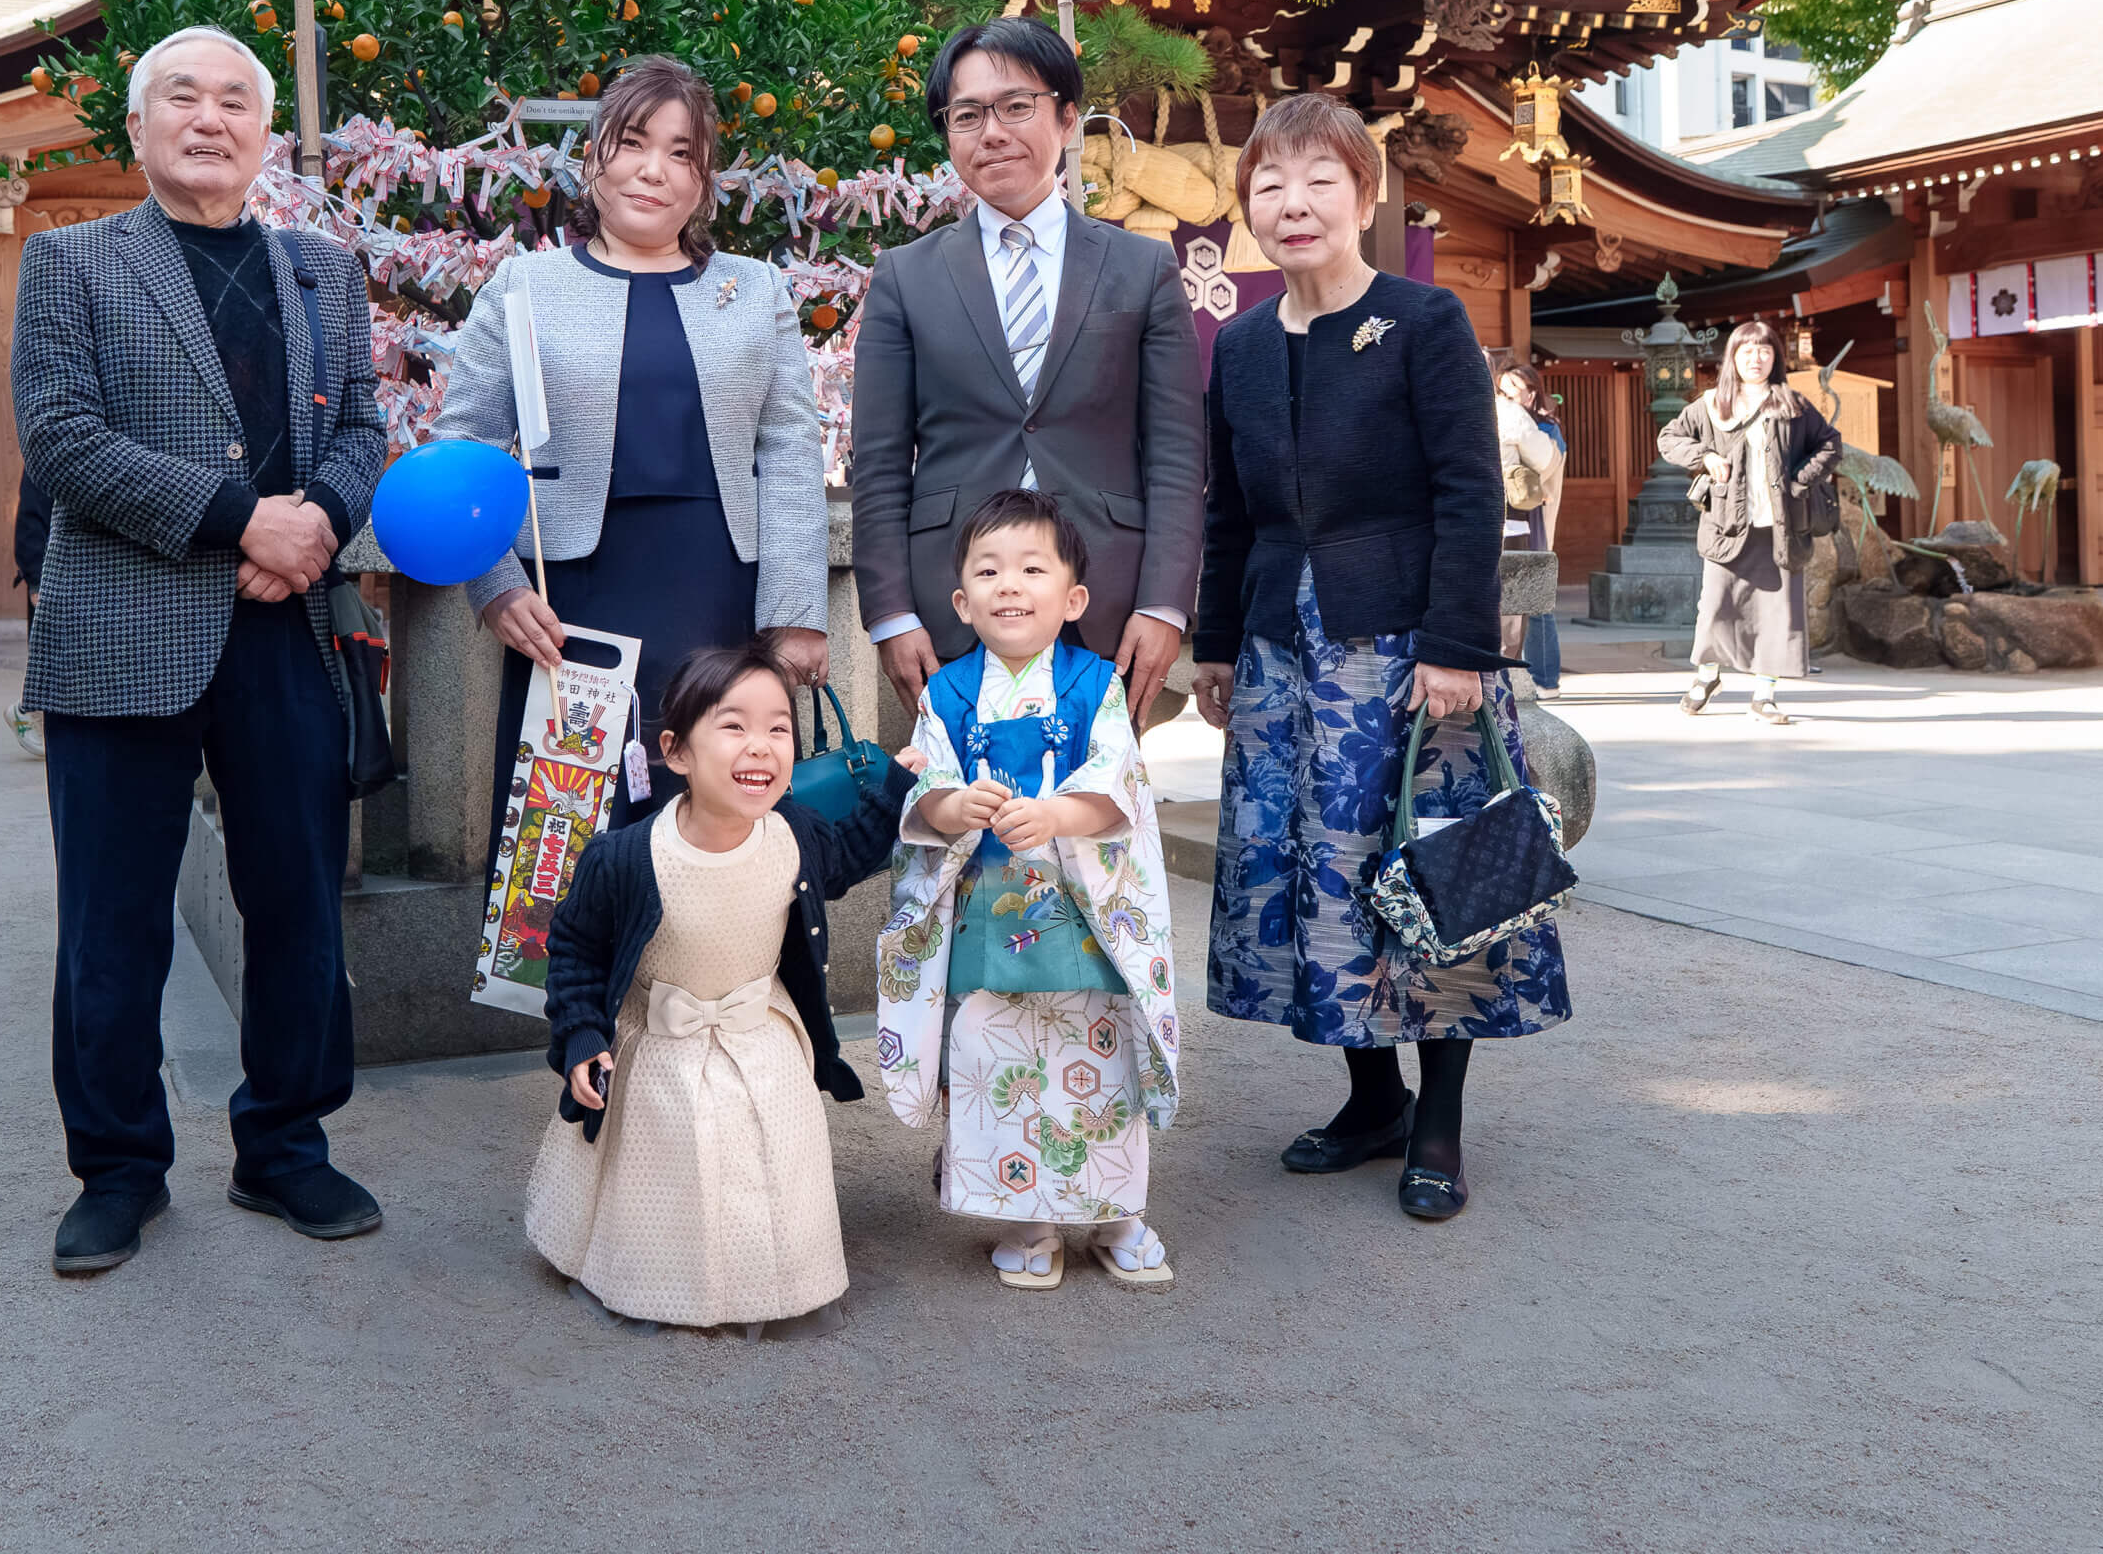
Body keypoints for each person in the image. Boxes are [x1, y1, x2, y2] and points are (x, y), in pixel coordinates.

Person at [11, 25, 388, 1276]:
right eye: (185, 94)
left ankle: (285, 1143)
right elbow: (62, 439)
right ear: (139, 125)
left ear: (265, 135)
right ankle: (118, 1167)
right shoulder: (70, 261)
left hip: (286, 629)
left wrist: (319, 523)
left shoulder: (324, 271)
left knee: (297, 903)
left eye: (238, 100)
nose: (211, 117)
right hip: (123, 628)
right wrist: (246, 517)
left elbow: (365, 429)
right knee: (112, 920)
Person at [1192, 93, 1569, 1224]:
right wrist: (1215, 643)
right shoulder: (1245, 345)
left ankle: (1439, 1122)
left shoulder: (1423, 320)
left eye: (1319, 179)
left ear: (1364, 196)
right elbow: (1230, 514)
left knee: (1434, 872)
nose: (1292, 202)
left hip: (1409, 653)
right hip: (1280, 654)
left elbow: (1468, 495)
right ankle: (1371, 1100)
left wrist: (1458, 647)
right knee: (1315, 873)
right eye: (1268, 182)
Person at [432, 55, 830, 841]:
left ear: (705, 179)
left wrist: (794, 613)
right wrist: (498, 588)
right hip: (569, 601)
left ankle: (724, 968)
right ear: (593, 158)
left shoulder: (756, 291)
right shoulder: (523, 286)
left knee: (719, 811)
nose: (655, 171)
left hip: (722, 593)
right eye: (633, 143)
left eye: (683, 153)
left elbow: (788, 450)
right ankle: (568, 971)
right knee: (568, 835)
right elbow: (462, 448)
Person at [527, 639, 912, 1335]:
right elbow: (576, 947)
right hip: (658, 1053)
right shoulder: (625, 857)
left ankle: (779, 1274)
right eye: (733, 726)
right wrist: (582, 1035)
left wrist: (893, 793)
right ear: (676, 751)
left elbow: (849, 857)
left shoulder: (794, 833)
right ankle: (649, 1276)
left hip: (761, 1039)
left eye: (777, 728)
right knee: (665, 1176)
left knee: (770, 1162)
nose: (759, 746)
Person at [851, 17, 1203, 725]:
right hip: (953, 605)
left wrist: (1165, 605)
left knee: (1092, 822)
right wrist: (889, 615)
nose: (993, 132)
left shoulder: (1142, 269)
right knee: (959, 821)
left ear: (1067, 116)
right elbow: (880, 463)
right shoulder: (904, 278)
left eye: (1017, 106)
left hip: (1104, 604)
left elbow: (1175, 454)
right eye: (967, 115)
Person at [879, 490, 1180, 1290]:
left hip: (1083, 920)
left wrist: (1056, 812)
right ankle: (1031, 1217)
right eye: (988, 570)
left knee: (1096, 1069)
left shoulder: (1094, 686)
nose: (1009, 585)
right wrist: (951, 804)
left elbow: (1118, 785)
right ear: (962, 601)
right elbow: (923, 796)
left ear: (1073, 598)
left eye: (1032, 569)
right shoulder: (944, 695)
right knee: (998, 1063)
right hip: (987, 917)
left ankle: (1118, 1212)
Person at [1658, 318, 1842, 726]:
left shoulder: (1793, 404)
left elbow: (1830, 443)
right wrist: (1704, 457)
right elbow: (1670, 437)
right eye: (1746, 351)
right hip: (1727, 527)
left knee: (1778, 613)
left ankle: (1764, 695)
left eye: (1764, 351)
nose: (1755, 359)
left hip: (1779, 528)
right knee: (1715, 607)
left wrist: (1799, 481)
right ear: (1733, 358)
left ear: (1775, 357)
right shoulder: (1712, 404)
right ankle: (1707, 677)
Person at [1494, 361, 1564, 695]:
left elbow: (1550, 467)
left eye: (1514, 388)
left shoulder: (1546, 428)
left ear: (1532, 391)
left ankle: (1546, 678)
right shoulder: (1505, 419)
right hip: (1511, 517)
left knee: (1535, 599)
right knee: (1517, 599)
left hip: (1531, 515)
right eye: (1502, 388)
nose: (1506, 395)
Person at [5, 467, 50, 759]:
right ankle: (26, 711)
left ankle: (37, 721)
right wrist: (35, 578)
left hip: (61, 575)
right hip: (47, 577)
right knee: (51, 659)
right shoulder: (42, 461)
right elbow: (29, 522)